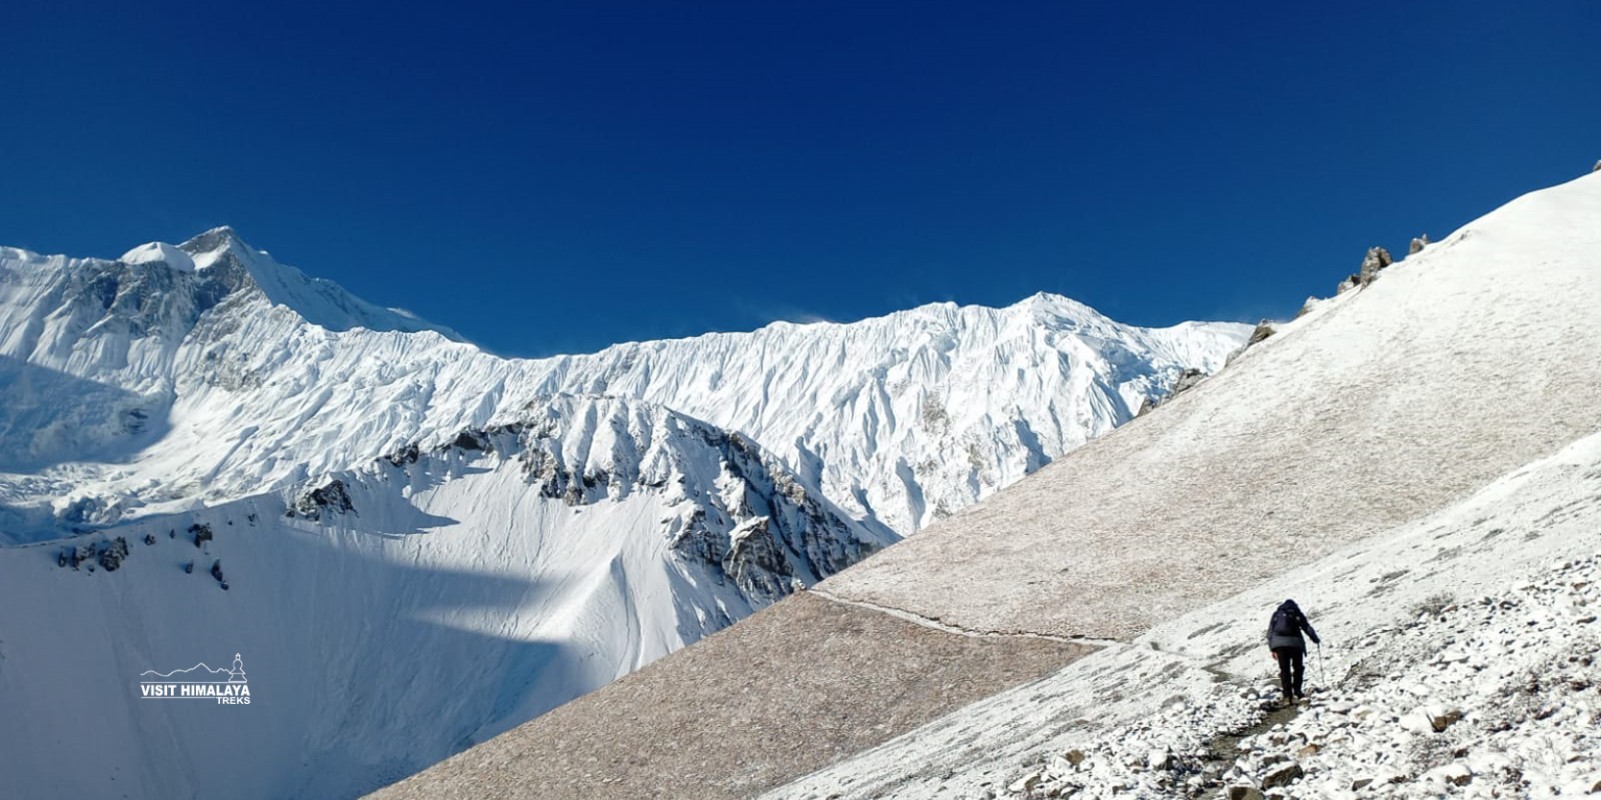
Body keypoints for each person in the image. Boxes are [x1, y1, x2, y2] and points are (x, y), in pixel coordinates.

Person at [1267, 599, 1320, 704]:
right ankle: (1297, 692)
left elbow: (1270, 632)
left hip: (1279, 645)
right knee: (1298, 668)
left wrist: (1272, 648)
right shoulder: (1296, 613)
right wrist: (1315, 639)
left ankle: (1287, 696)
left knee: (1284, 670)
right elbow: (1306, 627)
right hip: (1295, 644)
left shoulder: (1276, 614)